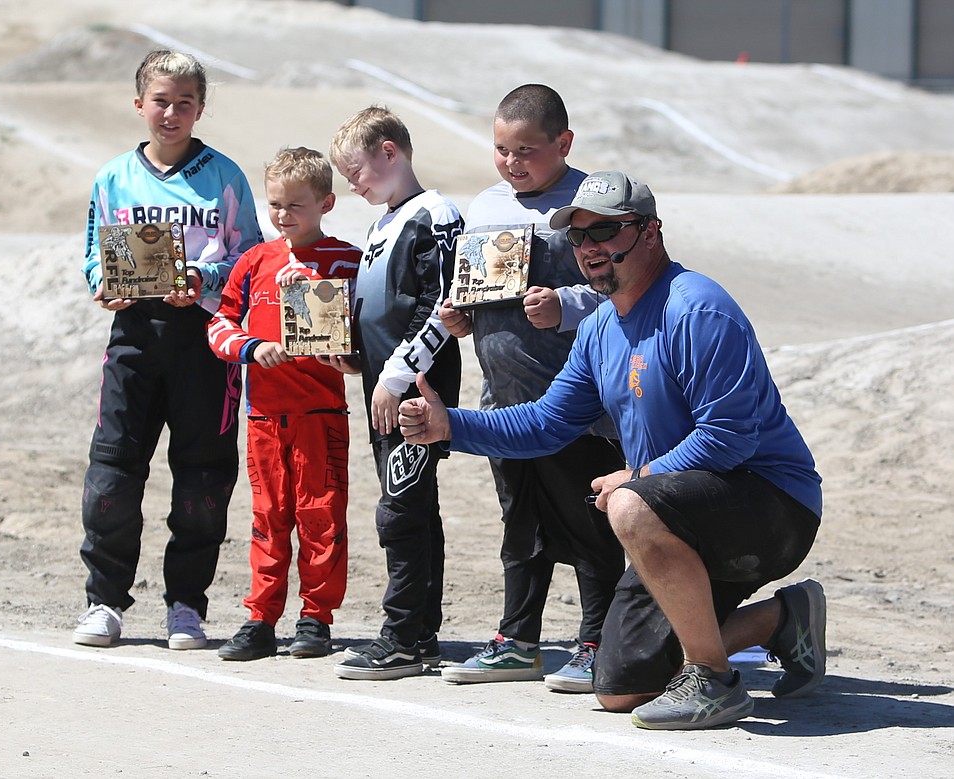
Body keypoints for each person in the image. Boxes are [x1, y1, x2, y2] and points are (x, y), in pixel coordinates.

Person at [399, 170, 826, 730]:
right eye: (578, 237)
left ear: (650, 232)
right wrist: (448, 426)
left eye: (605, 231)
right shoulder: (600, 327)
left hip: (772, 505)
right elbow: (548, 423)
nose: (589, 249)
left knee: (629, 505)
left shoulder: (698, 308)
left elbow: (729, 437)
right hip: (678, 514)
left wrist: (639, 478)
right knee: (622, 686)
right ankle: (781, 620)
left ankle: (716, 683)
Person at [72, 50, 263, 650]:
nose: (172, 112)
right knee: (113, 470)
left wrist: (204, 283)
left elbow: (250, 258)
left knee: (203, 475)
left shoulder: (225, 176)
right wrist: (102, 285)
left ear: (200, 108)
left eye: (185, 102)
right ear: (139, 105)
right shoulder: (112, 178)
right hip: (133, 337)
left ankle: (186, 604)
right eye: (161, 100)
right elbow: (92, 254)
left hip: (204, 341)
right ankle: (104, 601)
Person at [437, 84, 625, 692]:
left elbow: (625, 289)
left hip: (578, 409)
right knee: (521, 527)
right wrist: (463, 313)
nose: (512, 162)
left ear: (564, 144)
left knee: (592, 525)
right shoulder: (487, 205)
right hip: (503, 404)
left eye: (527, 149)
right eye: (500, 149)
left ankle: (598, 640)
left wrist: (565, 305)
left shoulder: (590, 203)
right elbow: (474, 283)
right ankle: (518, 639)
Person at [205, 147, 362, 661]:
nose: (283, 215)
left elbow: (361, 333)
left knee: (321, 516)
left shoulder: (345, 259)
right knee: (268, 517)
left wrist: (317, 291)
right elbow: (220, 326)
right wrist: (253, 347)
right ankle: (259, 618)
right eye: (275, 204)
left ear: (326, 203)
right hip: (264, 417)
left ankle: (316, 617)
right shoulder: (254, 261)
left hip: (321, 414)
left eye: (296, 205)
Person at [326, 105, 464, 680]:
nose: (352, 184)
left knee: (400, 509)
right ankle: (420, 633)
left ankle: (403, 636)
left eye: (356, 170)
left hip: (414, 390)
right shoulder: (382, 223)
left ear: (390, 152)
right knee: (408, 503)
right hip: (385, 384)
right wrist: (357, 356)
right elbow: (383, 306)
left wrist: (396, 375)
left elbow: (442, 303)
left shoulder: (435, 214)